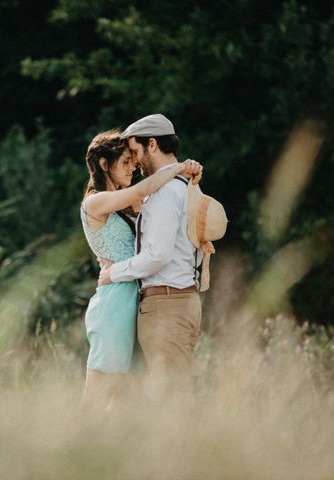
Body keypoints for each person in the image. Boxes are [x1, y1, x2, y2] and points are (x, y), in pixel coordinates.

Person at [81, 128, 201, 407]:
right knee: (97, 394)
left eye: (133, 162)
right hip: (114, 303)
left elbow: (164, 203)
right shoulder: (95, 201)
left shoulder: (128, 203)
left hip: (134, 302)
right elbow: (146, 188)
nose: (133, 168)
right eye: (125, 162)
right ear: (103, 164)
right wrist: (178, 168)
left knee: (127, 398)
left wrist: (188, 175)